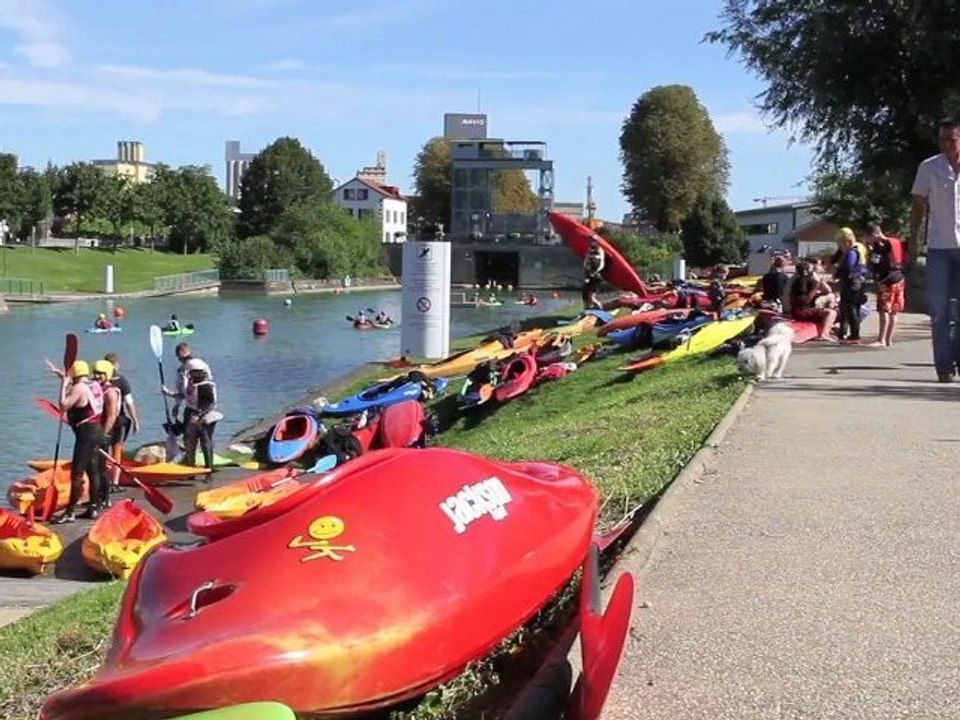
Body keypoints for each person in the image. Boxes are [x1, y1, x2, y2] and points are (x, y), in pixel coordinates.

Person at [910, 118, 960, 382]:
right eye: (942, 140)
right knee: (939, 310)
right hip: (939, 247)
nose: (946, 145)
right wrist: (914, 240)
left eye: (951, 140)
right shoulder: (928, 167)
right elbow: (918, 205)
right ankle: (944, 366)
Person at [49, 360, 105, 523]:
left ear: (73, 374)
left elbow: (63, 405)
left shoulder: (79, 388)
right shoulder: (93, 384)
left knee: (77, 473)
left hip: (86, 434)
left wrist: (63, 385)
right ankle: (93, 507)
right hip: (96, 430)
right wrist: (65, 380)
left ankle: (70, 512)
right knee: (92, 470)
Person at [865, 222, 906, 347]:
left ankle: (881, 339)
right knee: (894, 310)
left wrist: (871, 252)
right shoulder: (895, 242)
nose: (868, 240)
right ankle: (889, 340)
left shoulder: (880, 246)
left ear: (874, 234)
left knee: (884, 310)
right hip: (899, 278)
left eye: (868, 237)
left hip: (886, 281)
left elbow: (874, 264)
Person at [103, 353, 140, 489]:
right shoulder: (121, 381)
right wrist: (135, 420)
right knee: (117, 450)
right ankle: (115, 482)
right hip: (119, 420)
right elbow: (129, 402)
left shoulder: (97, 380)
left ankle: (105, 480)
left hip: (103, 420)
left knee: (104, 450)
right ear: (116, 365)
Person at [92, 360, 122, 503]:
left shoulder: (110, 392)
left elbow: (111, 416)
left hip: (104, 433)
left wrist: (102, 435)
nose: (97, 376)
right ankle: (98, 496)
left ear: (108, 375)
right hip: (96, 431)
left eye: (100, 374)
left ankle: (104, 498)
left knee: (101, 467)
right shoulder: (97, 387)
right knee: (95, 467)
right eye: (96, 373)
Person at [790, 261, 838, 341]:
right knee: (831, 312)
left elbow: (828, 291)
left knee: (829, 306)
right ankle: (824, 334)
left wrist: (821, 283)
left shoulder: (795, 281)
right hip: (801, 312)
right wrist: (815, 288)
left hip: (796, 311)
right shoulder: (806, 282)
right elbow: (806, 301)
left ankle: (827, 332)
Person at [834, 227, 866, 344]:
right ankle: (848, 334)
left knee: (851, 309)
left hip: (851, 285)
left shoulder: (851, 252)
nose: (840, 246)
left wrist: (839, 272)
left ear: (846, 241)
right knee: (850, 309)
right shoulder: (857, 249)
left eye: (840, 243)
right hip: (857, 283)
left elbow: (848, 268)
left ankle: (854, 336)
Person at [582, 238, 606, 310]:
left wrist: (593, 273)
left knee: (591, 298)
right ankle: (587, 309)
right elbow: (585, 265)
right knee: (585, 296)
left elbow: (602, 265)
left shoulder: (598, 255)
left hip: (595, 278)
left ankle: (601, 309)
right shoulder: (590, 255)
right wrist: (588, 275)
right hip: (590, 276)